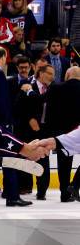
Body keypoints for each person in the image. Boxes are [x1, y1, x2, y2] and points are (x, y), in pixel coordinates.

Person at [0, 46, 34, 206]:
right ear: (4, 56)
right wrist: (7, 123)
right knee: (10, 158)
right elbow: (2, 102)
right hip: (0, 125)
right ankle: (12, 196)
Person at [18, 64, 55, 200]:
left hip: (45, 130)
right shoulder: (27, 84)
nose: (53, 77)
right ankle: (25, 187)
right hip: (28, 130)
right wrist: (30, 119)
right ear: (41, 73)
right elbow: (19, 106)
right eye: (50, 73)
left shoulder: (53, 88)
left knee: (44, 160)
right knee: (27, 157)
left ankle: (42, 191)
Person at [42, 66, 80, 201]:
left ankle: (65, 192)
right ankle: (75, 185)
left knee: (64, 163)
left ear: (68, 75)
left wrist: (49, 130)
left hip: (61, 132)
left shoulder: (55, 88)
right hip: (78, 129)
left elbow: (47, 110)